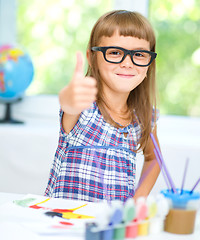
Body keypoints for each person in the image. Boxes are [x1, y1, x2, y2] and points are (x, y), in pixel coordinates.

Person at [45, 10, 161, 202]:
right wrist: (69, 96)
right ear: (92, 58)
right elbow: (68, 104)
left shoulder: (143, 117)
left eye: (139, 54)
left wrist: (137, 200)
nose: (127, 63)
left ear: (150, 62)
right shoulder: (83, 107)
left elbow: (154, 158)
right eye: (115, 52)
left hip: (110, 228)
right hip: (65, 224)